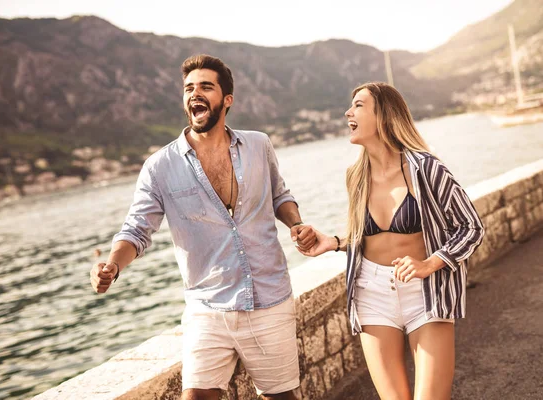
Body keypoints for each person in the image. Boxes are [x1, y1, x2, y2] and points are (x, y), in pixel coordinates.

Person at [89, 54, 316, 400]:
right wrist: (112, 265)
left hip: (270, 300)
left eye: (206, 86)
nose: (195, 93)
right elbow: (137, 230)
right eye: (189, 88)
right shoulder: (159, 166)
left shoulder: (259, 144)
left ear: (227, 100)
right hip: (207, 308)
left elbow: (279, 195)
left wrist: (296, 224)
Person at [298, 82, 485, 400]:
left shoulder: (426, 169)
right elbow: (368, 235)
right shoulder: (355, 176)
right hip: (372, 293)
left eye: (358, 105)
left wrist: (430, 263)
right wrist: (334, 241)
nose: (348, 112)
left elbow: (471, 227)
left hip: (424, 293)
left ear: (383, 115)